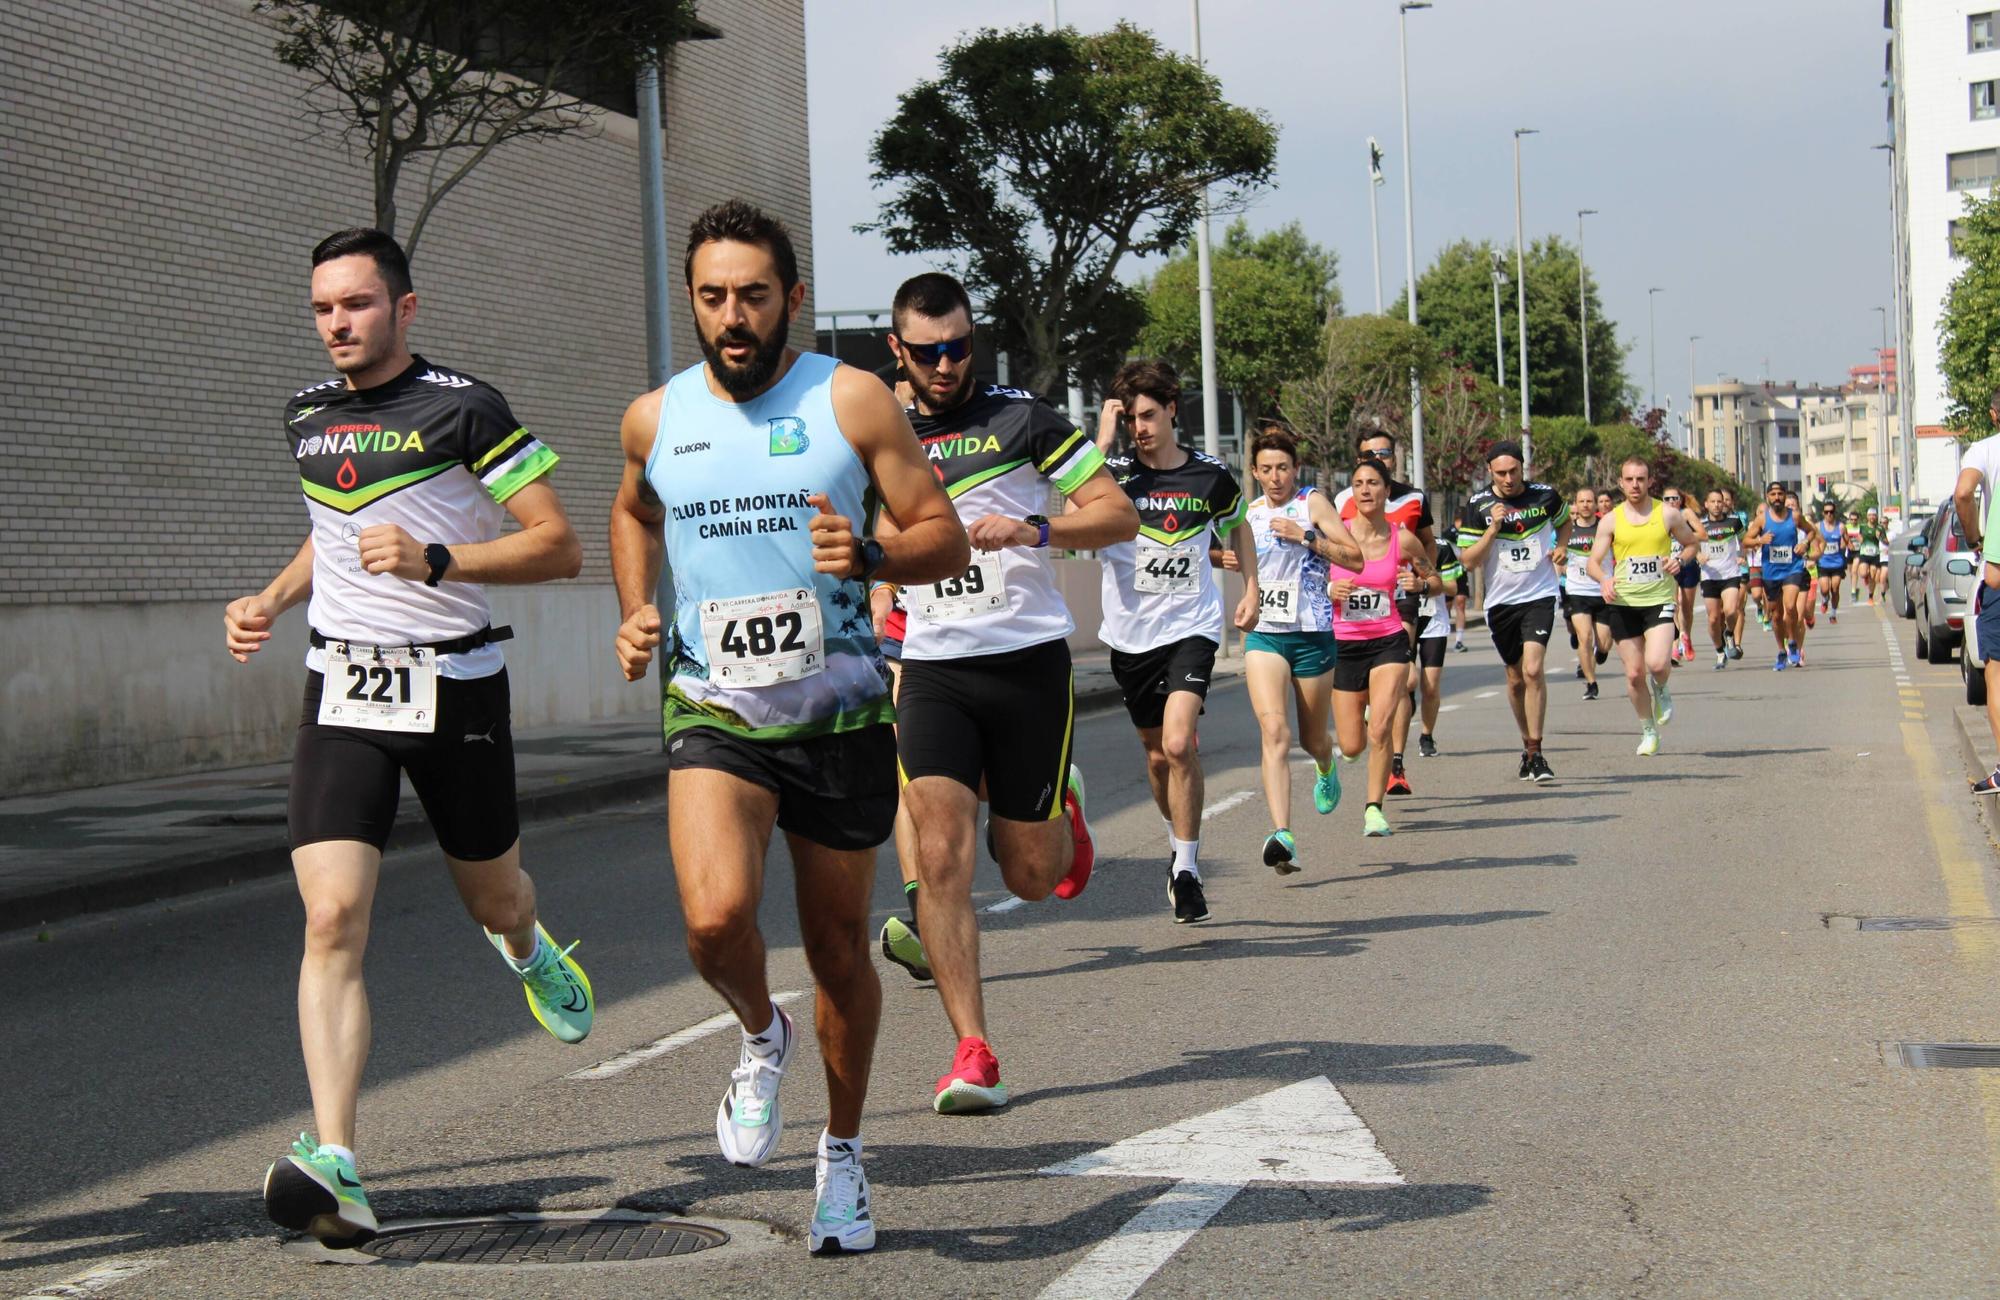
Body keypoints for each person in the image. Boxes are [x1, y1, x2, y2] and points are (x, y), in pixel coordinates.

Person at [609, 202, 970, 1254]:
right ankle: (757, 1031)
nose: (732, 316)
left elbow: (940, 536)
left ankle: (843, 1155)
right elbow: (633, 509)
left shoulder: (849, 401)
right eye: (713, 296)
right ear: (692, 298)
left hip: (841, 709)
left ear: (791, 300)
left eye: (753, 296)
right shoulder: (654, 417)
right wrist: (637, 606)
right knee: (714, 920)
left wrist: (866, 558)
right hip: (712, 703)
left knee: (835, 951)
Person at [230, 228, 593, 1249]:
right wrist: (270, 597)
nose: (338, 322)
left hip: (454, 690)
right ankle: (337, 1161)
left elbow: (559, 546)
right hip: (342, 688)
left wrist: (437, 557)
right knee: (330, 916)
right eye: (322, 308)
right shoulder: (307, 417)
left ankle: (526, 945)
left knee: (495, 893)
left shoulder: (466, 405)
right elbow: (331, 527)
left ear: (404, 308)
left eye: (356, 303)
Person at [883, 272, 1138, 1116]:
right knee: (942, 852)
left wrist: (1034, 527)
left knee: (1030, 877)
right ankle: (973, 1048)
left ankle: (1060, 810)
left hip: (1027, 661)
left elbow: (1117, 514)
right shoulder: (877, 434)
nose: (947, 364)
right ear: (899, 351)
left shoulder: (1024, 418)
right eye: (929, 352)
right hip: (933, 669)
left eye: (959, 346)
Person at [1092, 360, 1259, 923]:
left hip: (1191, 627)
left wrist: (1251, 588)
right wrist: (1102, 437)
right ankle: (1175, 841)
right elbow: (1074, 514)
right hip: (1129, 635)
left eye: (1147, 414)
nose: (1140, 426)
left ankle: (1187, 869)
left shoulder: (1211, 475)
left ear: (1170, 411)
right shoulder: (1109, 473)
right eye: (1130, 417)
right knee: (1156, 753)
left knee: (1181, 742)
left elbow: (1239, 525)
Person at [1243, 424, 1364, 872]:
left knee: (1314, 739)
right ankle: (1283, 834)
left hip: (1312, 634)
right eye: (1267, 469)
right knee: (1275, 732)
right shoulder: (1248, 512)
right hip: (1265, 635)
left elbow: (1356, 558)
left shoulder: (1312, 503)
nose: (1276, 477)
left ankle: (1326, 765)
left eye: (1283, 468)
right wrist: (1233, 563)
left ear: (1296, 469)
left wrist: (1307, 536)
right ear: (1255, 471)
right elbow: (1220, 553)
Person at [1327, 458, 1433, 836]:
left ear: (1387, 492)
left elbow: (1435, 578)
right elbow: (1308, 579)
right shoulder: (1335, 536)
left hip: (1389, 640)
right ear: (1351, 492)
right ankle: (1333, 763)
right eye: (1358, 483)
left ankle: (1374, 808)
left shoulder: (1401, 537)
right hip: (1345, 643)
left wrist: (1422, 585)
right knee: (1352, 745)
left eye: (1374, 483)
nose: (1366, 490)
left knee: (1381, 729)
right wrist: (1329, 589)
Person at [1456, 441, 1569, 782]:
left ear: (1523, 468)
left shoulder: (1545, 496)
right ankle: (1526, 744)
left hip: (1539, 594)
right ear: (1489, 472)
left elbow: (1565, 522)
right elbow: (1468, 560)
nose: (1508, 479)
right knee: (1515, 677)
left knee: (1533, 669)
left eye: (1514, 471)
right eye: (1501, 473)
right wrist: (1492, 529)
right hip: (1501, 601)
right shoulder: (1478, 505)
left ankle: (1536, 752)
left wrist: (1562, 547)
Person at [1588, 457, 1703, 755]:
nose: (1635, 485)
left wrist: (1679, 559)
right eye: (1629, 479)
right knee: (1634, 674)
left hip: (1659, 599)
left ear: (1650, 481)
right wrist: (1604, 580)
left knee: (1656, 664)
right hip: (1624, 602)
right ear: (1621, 482)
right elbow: (1593, 562)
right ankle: (1648, 731)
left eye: (1641, 479)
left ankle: (1662, 688)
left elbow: (1692, 545)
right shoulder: (1611, 519)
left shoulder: (1667, 515)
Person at [1953, 392, 2000, 793]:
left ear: (1993, 414)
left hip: (1999, 574)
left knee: (1998, 673)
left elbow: (1964, 494)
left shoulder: (1985, 450)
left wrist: (1974, 538)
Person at [1743, 481, 1809, 669]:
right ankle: (1781, 650)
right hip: (1771, 572)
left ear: (1784, 496)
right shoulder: (1762, 519)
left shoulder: (1794, 517)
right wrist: (1759, 539)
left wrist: (1804, 544)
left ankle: (1793, 643)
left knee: (1790, 606)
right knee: (1776, 614)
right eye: (1773, 494)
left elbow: (1811, 532)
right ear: (1767, 497)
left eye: (1780, 494)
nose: (1777, 497)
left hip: (1792, 568)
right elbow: (1746, 541)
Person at [1556, 486, 1611, 701]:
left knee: (1604, 642)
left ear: (1595, 504)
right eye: (1582, 501)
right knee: (1584, 637)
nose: (1586, 505)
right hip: (1577, 591)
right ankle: (1591, 682)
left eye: (1589, 501)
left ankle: (1601, 653)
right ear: (1575, 505)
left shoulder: (1605, 528)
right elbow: (1558, 554)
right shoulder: (1567, 530)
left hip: (1603, 589)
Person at [1413, 540, 1465, 756]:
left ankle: (1426, 735)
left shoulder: (1441, 548)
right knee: (1404, 682)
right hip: (1401, 620)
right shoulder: (1392, 539)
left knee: (1430, 686)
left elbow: (1453, 587)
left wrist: (1428, 583)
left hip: (1433, 622)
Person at [1698, 490, 1747, 668]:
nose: (1717, 505)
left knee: (1731, 610)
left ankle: (1729, 633)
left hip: (1730, 574)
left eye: (1720, 501)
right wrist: (1698, 555)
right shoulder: (1700, 524)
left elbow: (1744, 541)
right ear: (1706, 504)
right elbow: (1689, 542)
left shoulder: (1733, 522)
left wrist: (1742, 555)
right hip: (1709, 575)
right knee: (1713, 619)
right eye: (1713, 501)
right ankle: (1720, 651)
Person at [1662, 488, 1700, 663]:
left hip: (1687, 564)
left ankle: (1686, 636)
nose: (1671, 501)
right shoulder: (1659, 516)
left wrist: (1683, 534)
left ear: (1681, 499)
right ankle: (1674, 647)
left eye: (1674, 498)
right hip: (1669, 566)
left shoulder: (1686, 513)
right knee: (1674, 605)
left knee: (1686, 607)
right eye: (1667, 498)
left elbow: (1703, 534)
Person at [1814, 500, 1847, 624]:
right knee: (1824, 588)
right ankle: (1824, 599)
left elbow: (1845, 541)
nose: (1829, 514)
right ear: (1823, 513)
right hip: (1823, 562)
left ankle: (1833, 614)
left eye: (1831, 512)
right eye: (1826, 512)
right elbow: (1813, 541)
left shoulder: (1841, 527)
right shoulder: (1818, 526)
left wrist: (1844, 547)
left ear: (1835, 513)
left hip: (1837, 562)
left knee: (1835, 588)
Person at [1858, 506, 1888, 605]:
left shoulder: (1880, 528)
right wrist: (1859, 539)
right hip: (1864, 553)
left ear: (1876, 517)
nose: (1872, 517)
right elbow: (1859, 537)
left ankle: (1870, 597)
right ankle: (1865, 576)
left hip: (1875, 555)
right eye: (1870, 515)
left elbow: (1886, 542)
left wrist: (1880, 537)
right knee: (1863, 573)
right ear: (1867, 516)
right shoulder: (1862, 527)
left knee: (1873, 575)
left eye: (1874, 515)